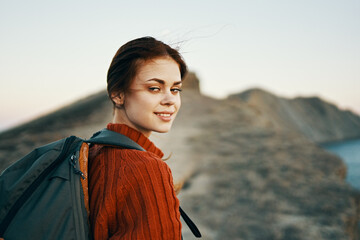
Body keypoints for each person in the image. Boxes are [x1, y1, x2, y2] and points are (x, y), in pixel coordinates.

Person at [88, 36, 187, 239]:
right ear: (118, 94)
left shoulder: (92, 151)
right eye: (154, 88)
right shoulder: (146, 168)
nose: (170, 100)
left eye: (175, 89)